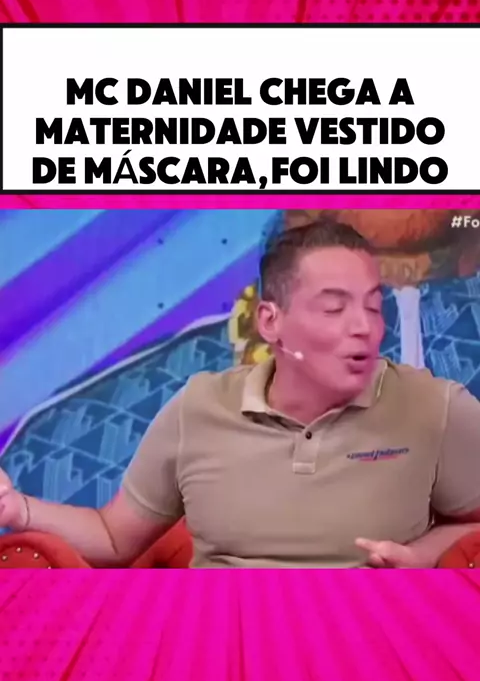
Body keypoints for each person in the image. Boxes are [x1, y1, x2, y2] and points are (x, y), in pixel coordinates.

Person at [1, 220, 480, 568]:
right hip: (218, 648)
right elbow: (112, 538)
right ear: (270, 322)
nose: (364, 327)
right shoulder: (198, 406)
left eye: (373, 307)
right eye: (334, 309)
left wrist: (421, 556)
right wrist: (20, 509)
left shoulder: (434, 406)